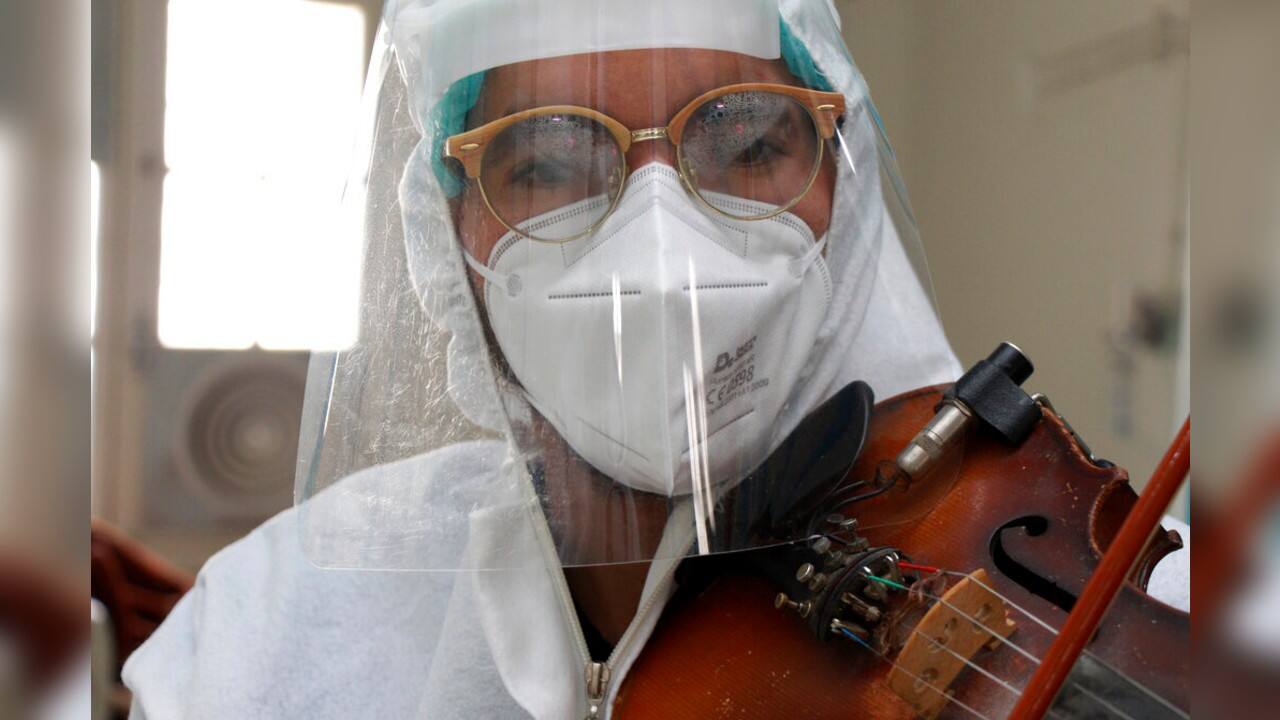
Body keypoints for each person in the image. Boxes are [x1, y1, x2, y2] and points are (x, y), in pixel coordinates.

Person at [123, 1, 1186, 717]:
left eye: (751, 144)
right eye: (546, 162)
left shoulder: (1152, 591)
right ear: (443, 238)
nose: (662, 250)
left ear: (841, 194)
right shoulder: (276, 620)